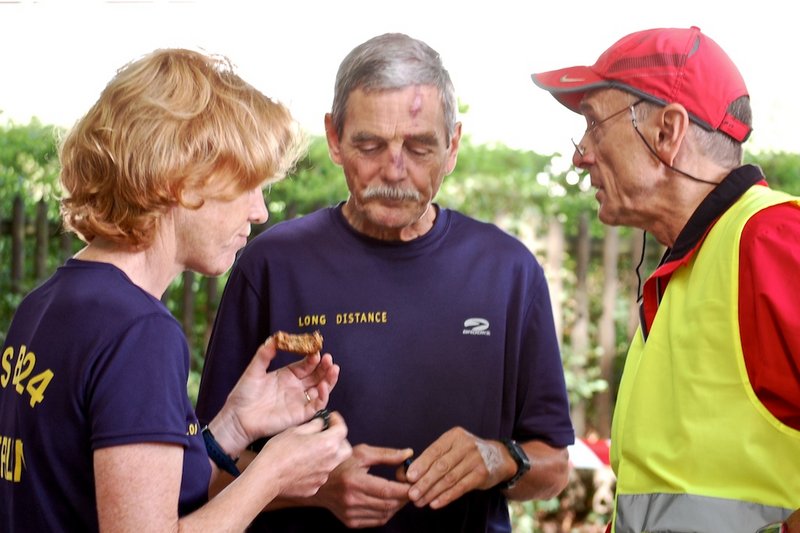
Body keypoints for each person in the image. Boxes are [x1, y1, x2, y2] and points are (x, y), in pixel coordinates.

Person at [195, 32, 575, 532]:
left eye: (419, 147)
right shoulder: (271, 264)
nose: (394, 170)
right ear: (334, 137)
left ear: (453, 145)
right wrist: (313, 491)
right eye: (370, 145)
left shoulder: (508, 271)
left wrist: (500, 460)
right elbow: (200, 467)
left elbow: (553, 466)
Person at [0, 48, 352, 532]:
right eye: (249, 184)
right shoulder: (139, 332)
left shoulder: (44, 306)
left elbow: (112, 489)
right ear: (182, 180)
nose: (260, 212)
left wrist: (234, 426)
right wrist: (272, 472)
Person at [531, 26, 800, 533]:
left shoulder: (771, 241)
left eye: (593, 124)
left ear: (667, 131)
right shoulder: (686, 270)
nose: (579, 153)